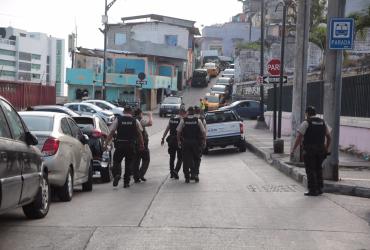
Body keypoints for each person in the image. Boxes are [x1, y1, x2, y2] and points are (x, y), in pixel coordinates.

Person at [291, 106, 331, 196]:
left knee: (310, 170)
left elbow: (299, 137)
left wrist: (293, 149)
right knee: (318, 169)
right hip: (321, 150)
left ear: (307, 114)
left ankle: (312, 190)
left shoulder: (306, 123)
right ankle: (320, 189)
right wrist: (326, 149)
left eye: (306, 113)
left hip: (309, 150)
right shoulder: (323, 122)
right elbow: (329, 138)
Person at [105, 106, 144, 188]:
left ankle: (117, 174)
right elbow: (140, 133)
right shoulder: (135, 120)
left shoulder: (118, 119)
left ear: (123, 111)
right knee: (129, 164)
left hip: (120, 145)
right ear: (131, 112)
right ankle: (126, 182)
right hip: (130, 145)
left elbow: (112, 132)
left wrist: (106, 143)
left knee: (116, 161)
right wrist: (142, 144)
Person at [177, 106, 206, 183]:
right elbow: (203, 132)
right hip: (195, 143)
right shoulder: (198, 120)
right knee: (197, 158)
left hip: (186, 142)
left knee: (186, 160)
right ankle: (195, 174)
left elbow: (178, 132)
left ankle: (187, 177)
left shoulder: (183, 120)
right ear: (193, 112)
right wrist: (204, 141)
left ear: (188, 112)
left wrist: (179, 141)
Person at [161, 108, 186, 179]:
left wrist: (163, 138)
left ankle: (172, 173)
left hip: (171, 141)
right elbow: (182, 131)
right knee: (180, 157)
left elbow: (167, 129)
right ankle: (176, 171)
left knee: (172, 157)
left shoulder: (172, 119)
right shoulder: (182, 120)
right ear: (183, 113)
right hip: (178, 140)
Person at [132, 108, 152, 182]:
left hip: (134, 143)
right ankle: (141, 174)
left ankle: (136, 177)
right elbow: (150, 123)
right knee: (146, 159)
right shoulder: (140, 120)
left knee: (136, 161)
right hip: (142, 143)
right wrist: (150, 116)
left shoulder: (132, 120)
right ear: (140, 113)